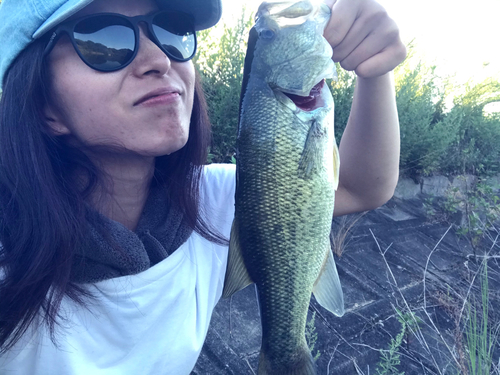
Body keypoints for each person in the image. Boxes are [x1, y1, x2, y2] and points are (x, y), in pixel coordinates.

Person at [0, 0, 405, 373]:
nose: (160, 59)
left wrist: (374, 71)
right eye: (103, 38)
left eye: (173, 32)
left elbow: (363, 187)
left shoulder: (216, 203)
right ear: (42, 105)